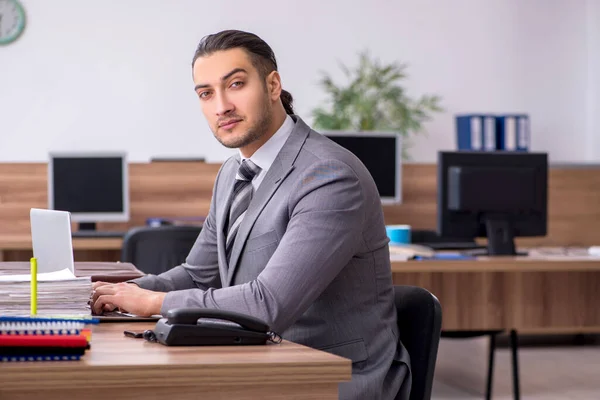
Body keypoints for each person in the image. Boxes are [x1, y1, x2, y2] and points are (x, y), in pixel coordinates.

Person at [92, 29, 411, 400]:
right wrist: (120, 294)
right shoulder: (233, 173)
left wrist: (154, 303)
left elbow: (268, 303)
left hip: (333, 376)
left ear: (273, 85)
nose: (221, 106)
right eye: (206, 93)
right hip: (260, 361)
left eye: (237, 84)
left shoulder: (329, 175)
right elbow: (198, 275)